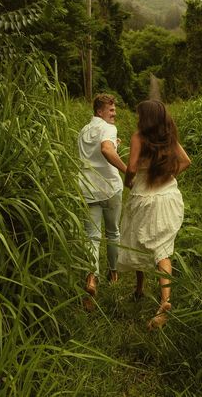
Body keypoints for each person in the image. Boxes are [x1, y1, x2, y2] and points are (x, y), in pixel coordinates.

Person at [117, 99, 191, 329]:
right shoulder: (168, 137)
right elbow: (186, 161)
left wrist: (129, 182)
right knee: (162, 251)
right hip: (168, 197)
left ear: (145, 117)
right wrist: (169, 177)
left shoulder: (138, 137)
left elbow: (130, 168)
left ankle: (139, 288)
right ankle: (165, 300)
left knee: (136, 241)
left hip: (144, 198)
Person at [78, 93, 127, 302]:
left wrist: (114, 143)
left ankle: (91, 278)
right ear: (100, 111)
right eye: (111, 110)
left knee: (92, 237)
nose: (114, 114)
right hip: (110, 188)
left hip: (88, 189)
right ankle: (114, 274)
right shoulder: (108, 128)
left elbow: (97, 150)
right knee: (113, 233)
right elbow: (105, 149)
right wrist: (127, 171)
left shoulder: (84, 131)